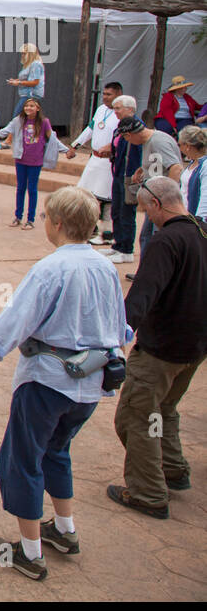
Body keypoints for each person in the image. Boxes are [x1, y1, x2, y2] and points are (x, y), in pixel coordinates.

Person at [0, 187, 128, 582]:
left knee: (23, 459)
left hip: (47, 383)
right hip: (89, 384)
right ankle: (65, 530)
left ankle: (30, 550)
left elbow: (7, 331)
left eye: (45, 217)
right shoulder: (105, 267)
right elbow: (121, 326)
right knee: (58, 451)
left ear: (57, 223)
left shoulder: (50, 269)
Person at [109, 176, 207, 519]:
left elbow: (144, 293)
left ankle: (148, 491)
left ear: (157, 205)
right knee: (164, 408)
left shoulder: (166, 242)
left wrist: (116, 335)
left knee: (136, 416)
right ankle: (173, 469)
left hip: (162, 348)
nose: (146, 216)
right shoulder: (202, 230)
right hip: (194, 347)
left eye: (145, 210)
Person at [0, 97, 62, 230]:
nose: (29, 108)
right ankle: (18, 217)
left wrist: (68, 150)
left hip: (35, 161)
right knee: (20, 189)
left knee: (32, 189)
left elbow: (53, 140)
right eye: (27, 106)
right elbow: (3, 132)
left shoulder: (44, 122)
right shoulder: (18, 121)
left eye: (32, 106)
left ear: (37, 108)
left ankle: (30, 219)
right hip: (21, 160)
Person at [114, 116, 184, 259]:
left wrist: (166, 198)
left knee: (157, 237)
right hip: (154, 198)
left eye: (126, 139)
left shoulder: (157, 141)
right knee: (147, 236)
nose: (128, 142)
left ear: (129, 135)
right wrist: (143, 169)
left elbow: (175, 167)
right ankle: (145, 270)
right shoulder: (149, 140)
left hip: (161, 201)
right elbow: (159, 162)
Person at [66, 81, 121, 240]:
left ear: (118, 94)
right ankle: (92, 228)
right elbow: (90, 129)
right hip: (94, 159)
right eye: (103, 94)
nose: (104, 97)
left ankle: (107, 232)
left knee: (104, 198)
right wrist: (75, 145)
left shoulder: (120, 114)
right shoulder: (100, 110)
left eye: (108, 94)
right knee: (86, 194)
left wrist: (111, 146)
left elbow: (123, 136)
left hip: (109, 161)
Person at [104, 94, 142, 265]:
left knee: (127, 212)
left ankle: (127, 249)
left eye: (118, 108)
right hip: (117, 173)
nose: (115, 111)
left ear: (130, 109)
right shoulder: (119, 128)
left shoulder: (138, 128)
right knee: (117, 211)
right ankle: (118, 244)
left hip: (130, 176)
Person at [8, 43, 46, 116]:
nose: (22, 55)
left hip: (31, 95)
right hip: (27, 95)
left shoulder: (36, 64)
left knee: (16, 117)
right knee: (22, 119)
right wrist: (16, 81)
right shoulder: (29, 64)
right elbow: (27, 79)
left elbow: (35, 82)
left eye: (24, 53)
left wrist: (19, 82)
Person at [178, 125, 207, 221]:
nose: (179, 147)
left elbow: (205, 198)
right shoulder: (193, 163)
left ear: (187, 146)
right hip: (186, 218)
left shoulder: (204, 166)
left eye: (180, 144)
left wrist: (199, 223)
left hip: (196, 221)